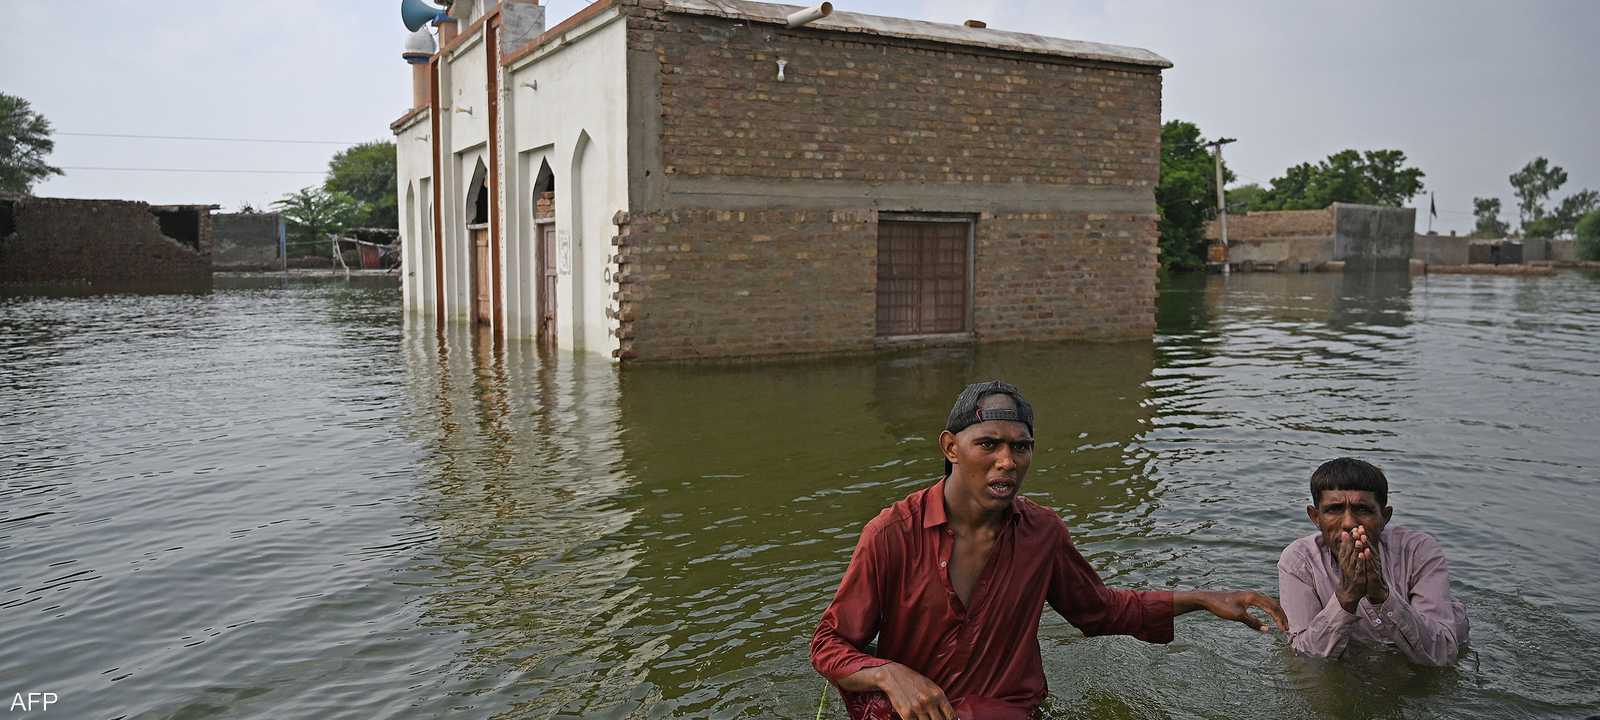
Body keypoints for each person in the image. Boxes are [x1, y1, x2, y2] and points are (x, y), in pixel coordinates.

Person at [810, 380, 1288, 720]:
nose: (1007, 461)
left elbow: (1098, 610)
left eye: (1021, 448)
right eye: (988, 444)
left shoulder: (1043, 532)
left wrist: (1202, 599)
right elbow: (829, 644)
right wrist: (891, 675)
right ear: (951, 447)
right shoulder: (893, 533)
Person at [1277, 457, 1469, 666]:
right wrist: (1346, 597)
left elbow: (1443, 653)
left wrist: (1382, 595)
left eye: (1362, 509)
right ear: (1315, 517)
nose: (1349, 523)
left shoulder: (1418, 551)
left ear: (1385, 517)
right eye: (1334, 509)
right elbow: (1304, 657)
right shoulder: (1298, 560)